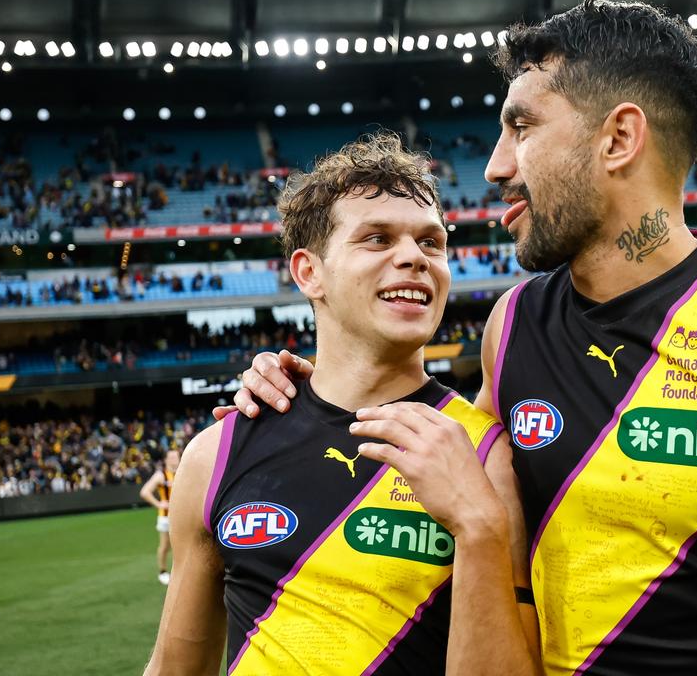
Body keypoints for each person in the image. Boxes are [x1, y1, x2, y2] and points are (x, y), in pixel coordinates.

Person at [225, 0, 697, 674]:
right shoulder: (513, 327)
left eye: (521, 127)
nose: (494, 167)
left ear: (619, 138)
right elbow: (441, 454)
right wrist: (296, 388)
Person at [145, 133, 539, 675]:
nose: (414, 258)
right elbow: (174, 668)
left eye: (432, 243)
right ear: (309, 272)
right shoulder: (217, 453)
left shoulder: (484, 453)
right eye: (377, 239)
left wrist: (478, 526)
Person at [139, 449, 180, 585]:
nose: (175, 460)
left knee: (182, 545)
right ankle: (162, 571)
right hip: (166, 517)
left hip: (181, 516)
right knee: (165, 546)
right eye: (172, 457)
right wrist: (158, 504)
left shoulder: (183, 472)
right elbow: (145, 492)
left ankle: (179, 572)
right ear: (166, 460)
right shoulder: (161, 475)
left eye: (176, 457)